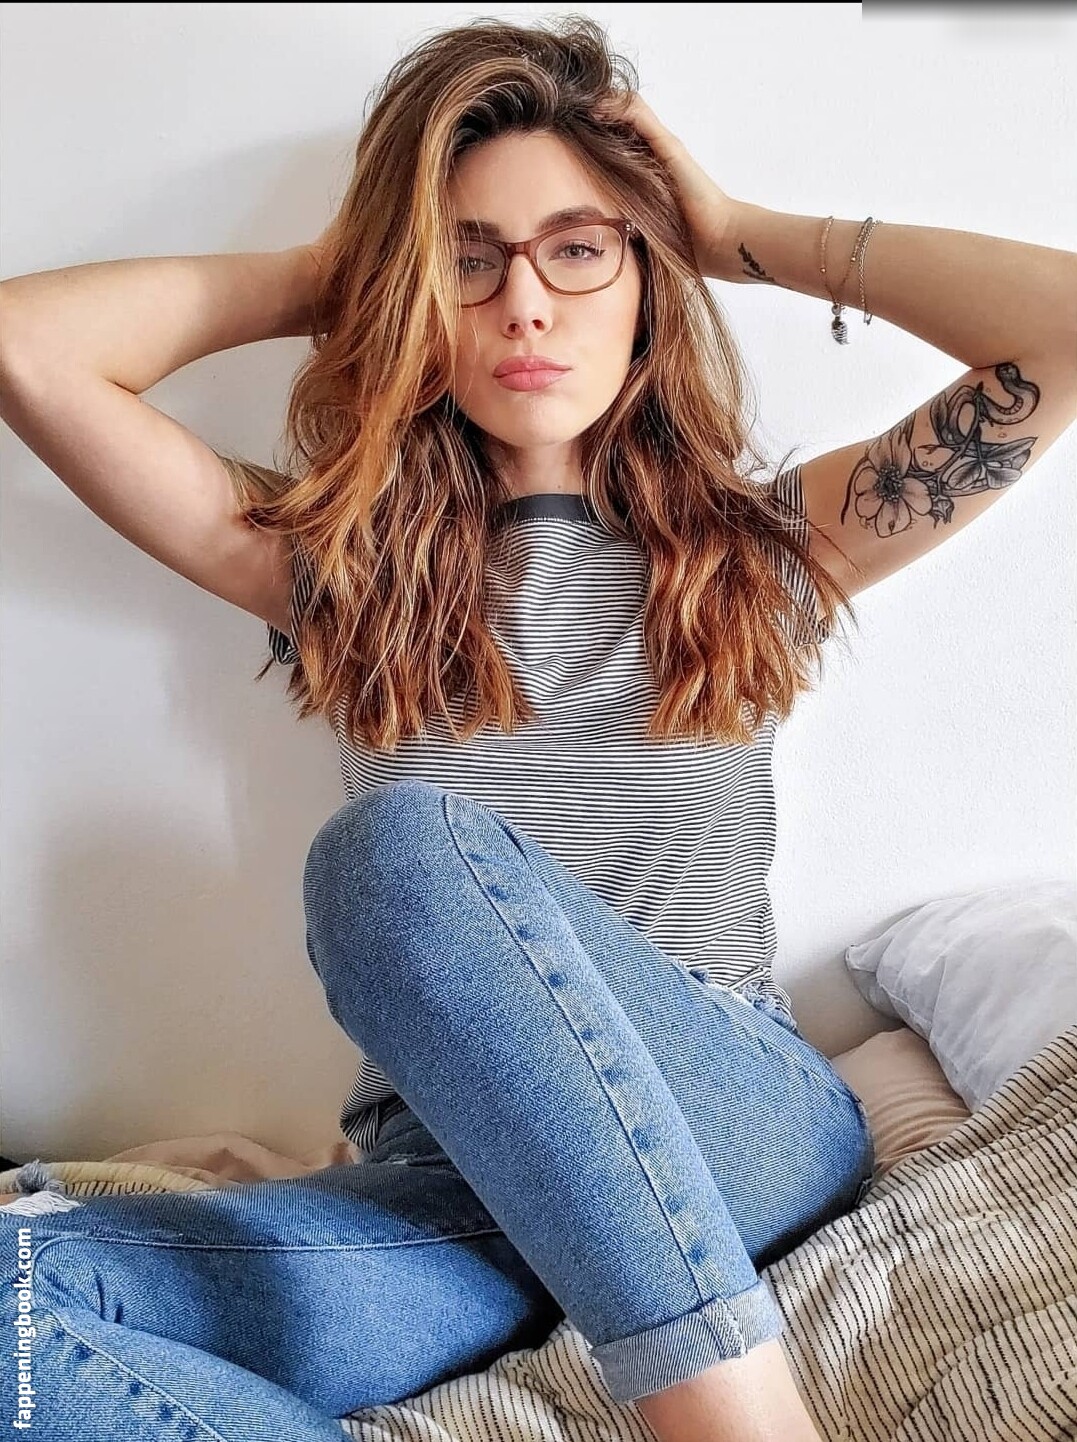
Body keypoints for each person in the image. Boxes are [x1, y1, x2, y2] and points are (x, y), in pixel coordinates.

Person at [2, 13, 1074, 1442]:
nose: (523, 304)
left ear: (647, 280)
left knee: (393, 855)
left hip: (728, 1127)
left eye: (578, 249)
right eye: (467, 258)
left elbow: (1063, 329)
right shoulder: (344, 571)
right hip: (449, 1194)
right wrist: (361, 264)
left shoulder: (767, 548)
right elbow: (25, 344)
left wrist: (738, 233)